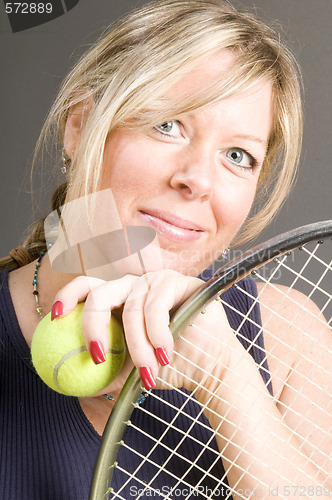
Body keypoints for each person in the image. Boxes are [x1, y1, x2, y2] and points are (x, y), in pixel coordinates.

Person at [0, 0, 331, 498]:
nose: (197, 180)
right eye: (168, 125)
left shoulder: (290, 340)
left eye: (238, 156)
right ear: (80, 125)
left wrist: (224, 376)